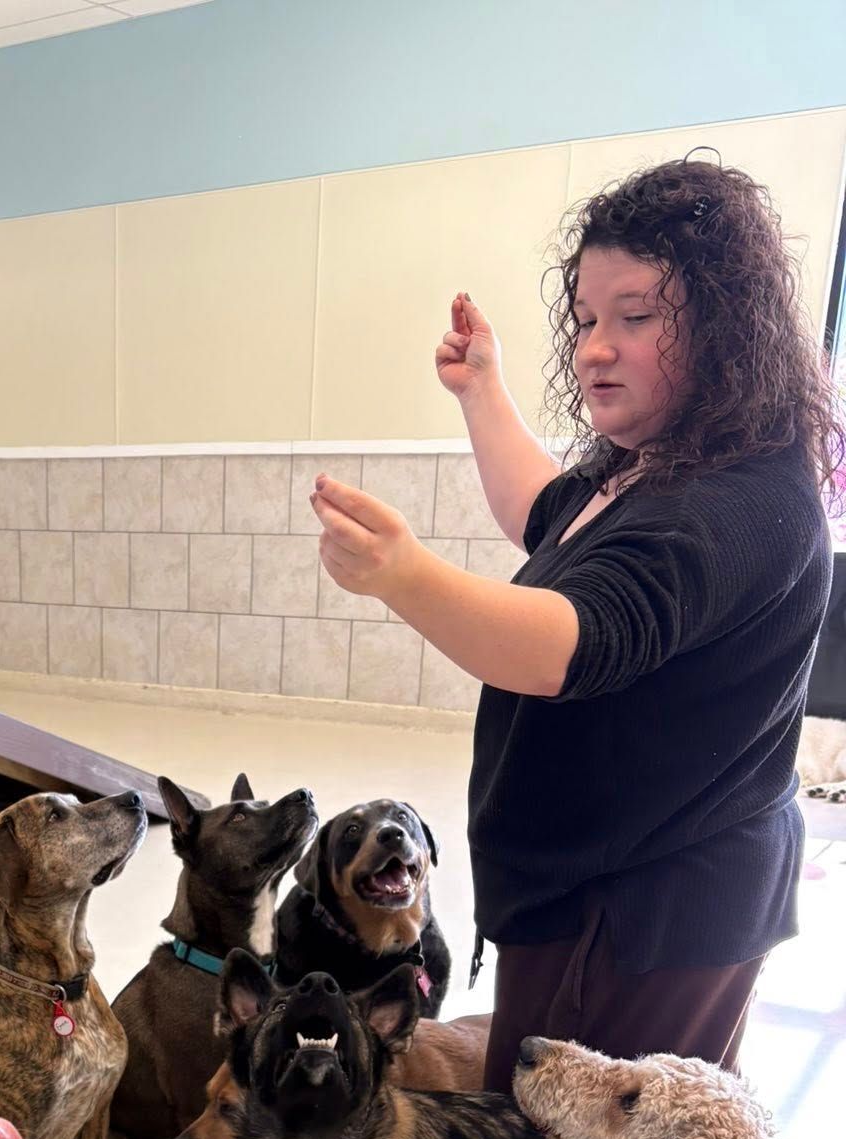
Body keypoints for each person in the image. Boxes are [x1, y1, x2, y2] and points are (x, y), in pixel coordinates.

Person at [309, 156, 842, 1091]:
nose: (596, 346)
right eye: (588, 318)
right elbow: (551, 520)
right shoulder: (663, 462)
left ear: (727, 330)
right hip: (613, 881)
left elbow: (572, 640)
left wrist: (405, 576)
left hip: (646, 911)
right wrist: (484, 391)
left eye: (636, 318)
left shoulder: (742, 501)